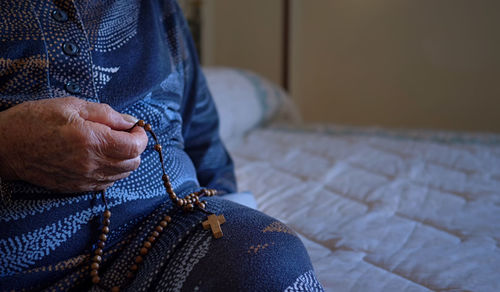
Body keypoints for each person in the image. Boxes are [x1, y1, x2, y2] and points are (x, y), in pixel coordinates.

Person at [0, 1, 324, 291]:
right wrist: (8, 147)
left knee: (267, 262)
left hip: (166, 231)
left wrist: (229, 212)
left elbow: (200, 130)